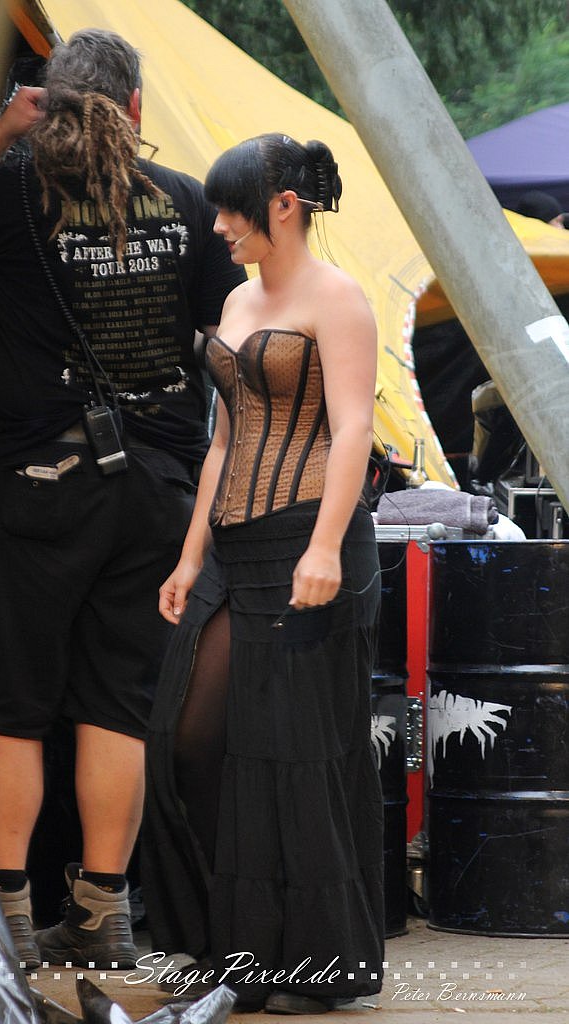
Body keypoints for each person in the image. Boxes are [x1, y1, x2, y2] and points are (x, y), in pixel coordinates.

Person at [0, 29, 245, 970]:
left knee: (17, 702)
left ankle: (8, 917)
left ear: (46, 102)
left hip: (36, 483)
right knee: (116, 702)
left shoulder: (7, 192)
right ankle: (101, 914)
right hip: (158, 487)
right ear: (133, 108)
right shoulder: (187, 201)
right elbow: (233, 336)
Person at [142, 133, 384, 1014]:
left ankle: (306, 967)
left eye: (230, 211)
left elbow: (351, 429)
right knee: (187, 738)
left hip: (308, 544)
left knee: (295, 753)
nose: (217, 227)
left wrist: (323, 548)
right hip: (231, 550)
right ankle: (229, 948)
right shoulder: (238, 299)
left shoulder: (339, 299)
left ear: (283, 206)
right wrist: (189, 555)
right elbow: (225, 440)